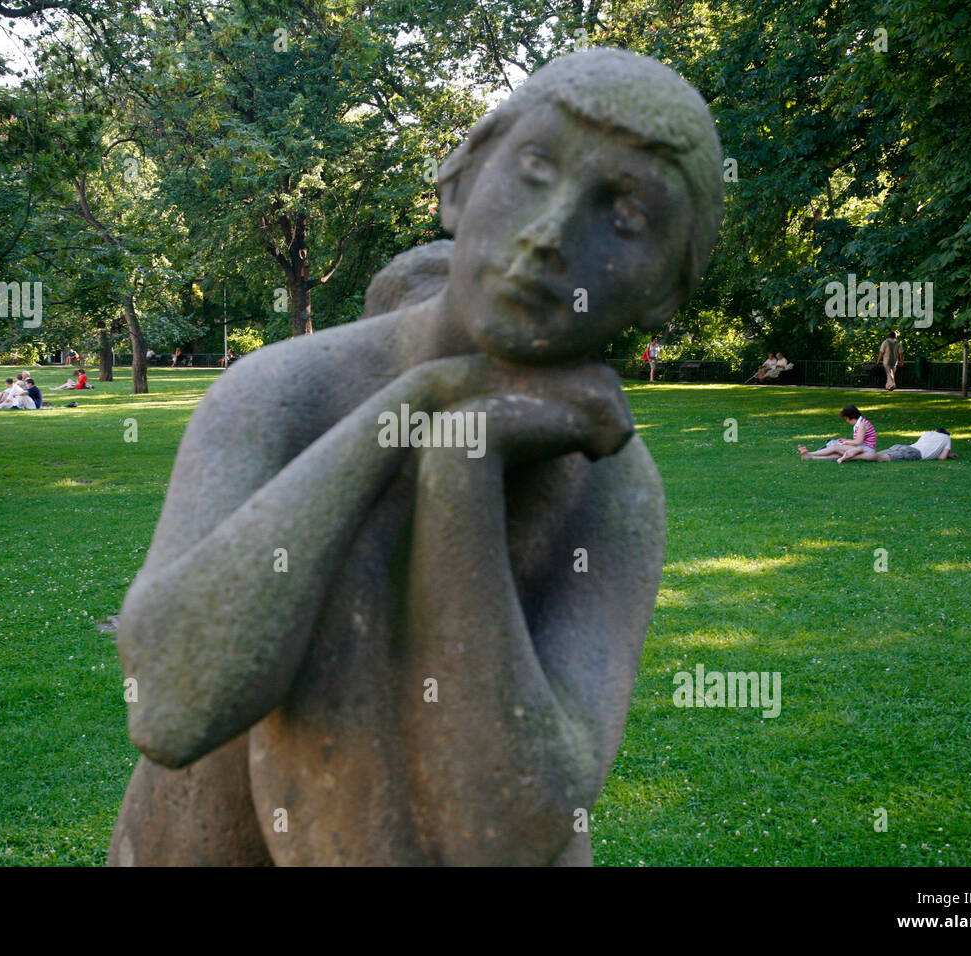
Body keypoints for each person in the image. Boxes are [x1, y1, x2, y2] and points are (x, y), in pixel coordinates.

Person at [109, 50, 725, 867]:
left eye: (627, 219)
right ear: (461, 179)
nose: (549, 235)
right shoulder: (281, 393)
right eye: (536, 168)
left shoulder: (612, 490)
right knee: (309, 566)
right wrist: (419, 404)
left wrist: (462, 468)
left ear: (664, 294)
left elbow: (514, 829)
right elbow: (170, 707)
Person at [798, 405, 876, 460]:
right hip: (863, 447)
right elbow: (860, 440)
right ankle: (810, 457)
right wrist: (846, 440)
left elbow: (858, 442)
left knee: (835, 447)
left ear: (850, 417)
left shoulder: (862, 424)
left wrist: (846, 442)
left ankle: (811, 454)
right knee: (837, 453)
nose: (847, 421)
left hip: (866, 449)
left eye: (846, 418)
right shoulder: (860, 423)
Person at [838, 428, 957, 462]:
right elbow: (942, 457)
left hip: (904, 447)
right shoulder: (947, 438)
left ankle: (852, 453)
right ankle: (854, 456)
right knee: (881, 458)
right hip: (915, 453)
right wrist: (948, 455)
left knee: (876, 454)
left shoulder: (929, 433)